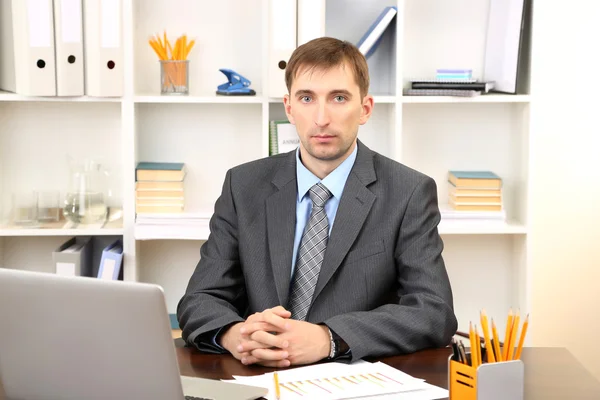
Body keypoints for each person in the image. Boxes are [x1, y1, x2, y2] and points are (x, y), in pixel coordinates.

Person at [177, 37, 457, 368]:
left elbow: (433, 311)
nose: (321, 118)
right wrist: (236, 334)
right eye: (307, 98)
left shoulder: (408, 192)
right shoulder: (243, 186)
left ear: (365, 108)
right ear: (289, 107)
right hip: (259, 375)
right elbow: (199, 299)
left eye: (338, 98)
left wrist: (328, 339)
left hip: (353, 380)